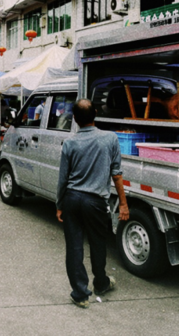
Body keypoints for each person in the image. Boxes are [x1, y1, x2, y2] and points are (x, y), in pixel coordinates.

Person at [56, 99, 129, 309]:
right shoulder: (110, 139)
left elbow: (63, 178)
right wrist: (123, 204)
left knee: (74, 247)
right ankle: (101, 283)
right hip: (95, 202)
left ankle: (80, 294)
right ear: (95, 114)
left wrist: (59, 204)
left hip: (71, 199)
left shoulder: (70, 143)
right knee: (98, 244)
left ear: (75, 119)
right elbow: (117, 175)